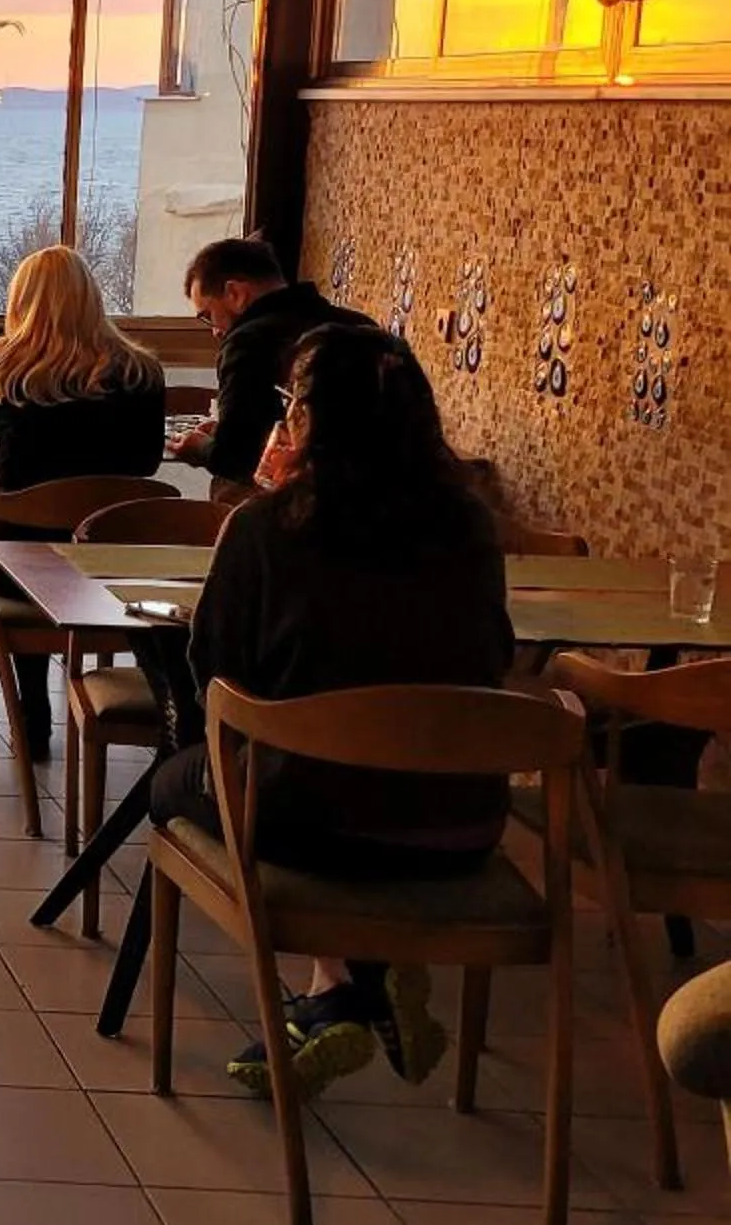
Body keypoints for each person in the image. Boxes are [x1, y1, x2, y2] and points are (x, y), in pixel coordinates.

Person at [144, 322, 513, 1099]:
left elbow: (217, 678)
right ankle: (342, 986)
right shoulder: (470, 527)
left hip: (309, 827)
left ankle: (344, 988)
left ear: (305, 419)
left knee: (174, 783)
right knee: (335, 778)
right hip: (461, 825)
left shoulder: (265, 530)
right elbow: (496, 655)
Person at [0, 246, 167, 760]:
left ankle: (31, 715)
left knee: (0, 552)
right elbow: (146, 466)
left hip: (22, 566)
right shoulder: (142, 373)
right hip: (108, 564)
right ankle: (157, 711)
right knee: (12, 552)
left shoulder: (3, 370)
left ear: (22, 300)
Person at [171, 237, 370, 500]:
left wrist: (202, 449)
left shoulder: (247, 343)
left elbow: (235, 458)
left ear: (235, 294)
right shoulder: (363, 327)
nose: (216, 331)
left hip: (302, 508)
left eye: (208, 316)